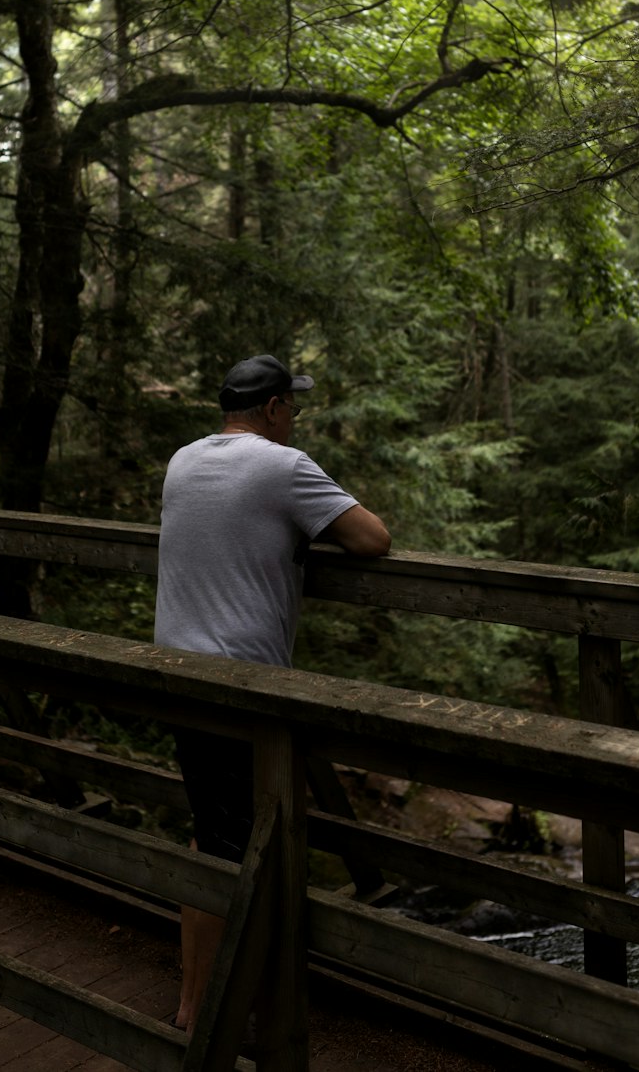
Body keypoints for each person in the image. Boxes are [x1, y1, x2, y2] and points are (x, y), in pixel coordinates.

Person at [154, 353, 391, 1035]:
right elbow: (372, 539)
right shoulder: (284, 467)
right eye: (294, 406)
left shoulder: (182, 460)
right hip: (239, 687)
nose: (296, 417)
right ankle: (216, 1016)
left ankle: (198, 1002)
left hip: (178, 672)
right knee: (240, 847)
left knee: (213, 834)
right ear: (276, 410)